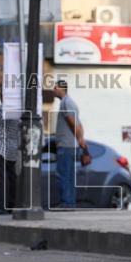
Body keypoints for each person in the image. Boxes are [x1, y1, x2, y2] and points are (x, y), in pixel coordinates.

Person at [51, 80, 90, 209]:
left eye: (55, 87)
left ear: (61, 88)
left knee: (64, 174)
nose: (53, 90)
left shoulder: (66, 102)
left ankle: (67, 203)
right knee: (69, 175)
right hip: (70, 145)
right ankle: (70, 202)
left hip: (66, 145)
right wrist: (81, 139)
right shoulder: (70, 102)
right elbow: (79, 124)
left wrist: (79, 139)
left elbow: (72, 122)